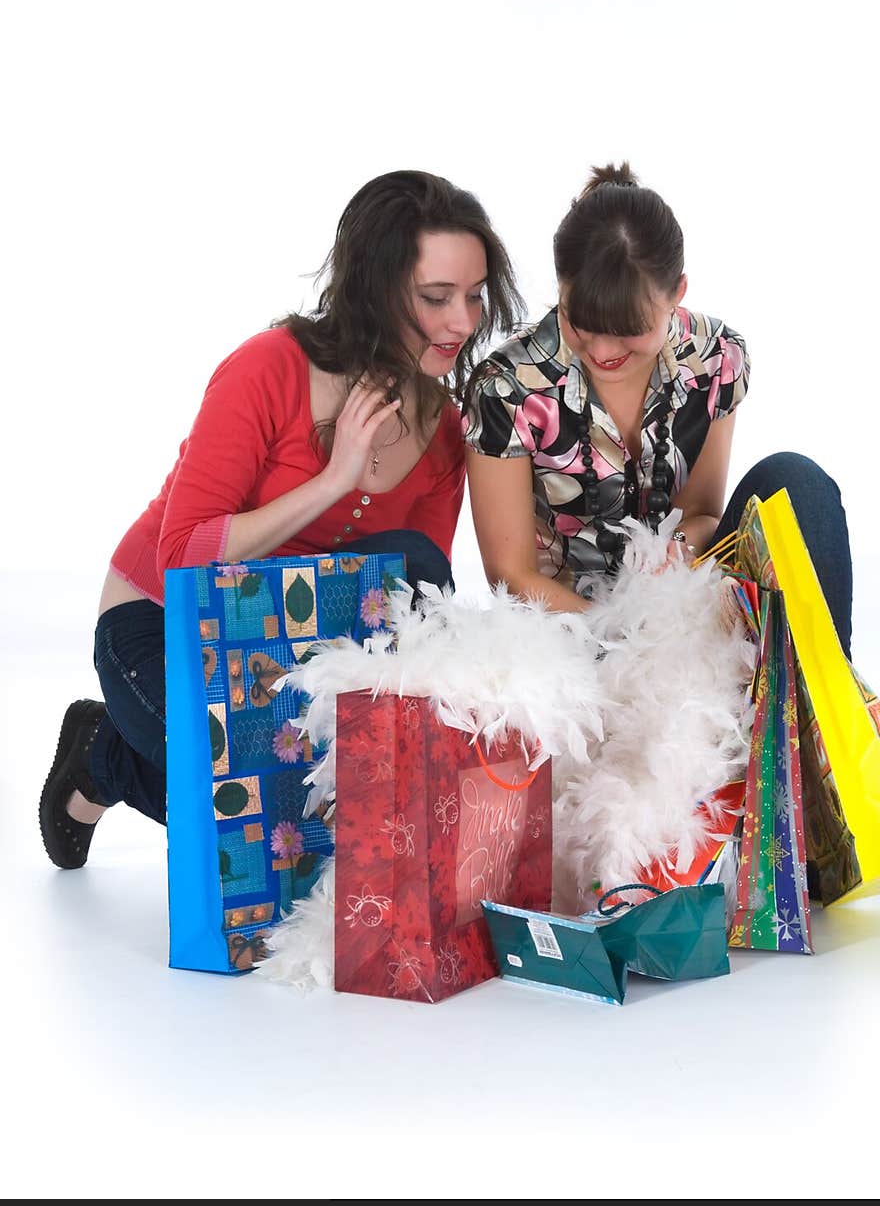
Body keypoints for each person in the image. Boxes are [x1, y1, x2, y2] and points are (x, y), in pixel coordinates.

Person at [41, 169, 524, 868]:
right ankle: (101, 755)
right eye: (435, 297)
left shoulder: (446, 428)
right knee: (235, 806)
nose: (463, 322)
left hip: (288, 653)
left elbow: (412, 598)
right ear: (374, 288)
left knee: (316, 809)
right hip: (161, 622)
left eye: (475, 297)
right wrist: (335, 480)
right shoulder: (268, 368)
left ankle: (171, 758)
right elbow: (182, 556)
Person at [463, 162, 853, 649]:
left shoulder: (715, 357)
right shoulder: (507, 386)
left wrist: (677, 549)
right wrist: (623, 639)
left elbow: (706, 517)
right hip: (571, 633)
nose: (603, 351)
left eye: (628, 328)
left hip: (686, 611)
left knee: (796, 480)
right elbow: (512, 574)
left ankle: (831, 698)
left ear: (677, 294)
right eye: (579, 322)